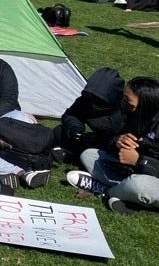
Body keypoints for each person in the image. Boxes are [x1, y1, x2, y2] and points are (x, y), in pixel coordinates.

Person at [67, 77, 159, 213]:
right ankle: (122, 192)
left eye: (128, 101)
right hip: (136, 171)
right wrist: (118, 141)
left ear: (145, 103)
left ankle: (107, 190)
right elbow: (110, 138)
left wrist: (138, 161)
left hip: (148, 175)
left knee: (139, 185)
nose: (123, 103)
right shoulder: (136, 115)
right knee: (90, 155)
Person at [54, 68, 126, 163]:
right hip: (93, 139)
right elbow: (71, 115)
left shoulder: (124, 108)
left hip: (114, 144)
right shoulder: (85, 100)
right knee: (60, 131)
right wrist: (75, 129)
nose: (93, 103)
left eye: (98, 100)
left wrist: (105, 139)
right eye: (90, 97)